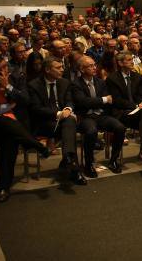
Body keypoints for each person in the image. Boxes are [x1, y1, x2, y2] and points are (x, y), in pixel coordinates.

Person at [0, 56, 51, 202]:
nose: (4, 71)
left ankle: (3, 187)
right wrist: (3, 108)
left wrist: (8, 87)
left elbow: (25, 100)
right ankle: (35, 144)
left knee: (10, 139)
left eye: (5, 66)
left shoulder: (17, 79)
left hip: (14, 127)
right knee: (3, 121)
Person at [27, 56, 86, 186]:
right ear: (47, 69)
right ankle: (71, 164)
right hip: (44, 123)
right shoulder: (34, 85)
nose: (62, 69)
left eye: (62, 67)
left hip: (64, 123)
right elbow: (35, 109)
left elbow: (70, 100)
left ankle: (69, 161)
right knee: (70, 126)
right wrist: (59, 113)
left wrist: (68, 109)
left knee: (69, 122)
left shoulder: (64, 82)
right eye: (58, 67)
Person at [71, 55, 125, 176]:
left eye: (94, 65)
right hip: (85, 117)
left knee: (120, 127)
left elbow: (109, 100)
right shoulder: (76, 84)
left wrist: (100, 101)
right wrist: (103, 100)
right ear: (81, 69)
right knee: (91, 131)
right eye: (90, 66)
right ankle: (89, 163)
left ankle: (113, 160)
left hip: (101, 115)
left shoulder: (100, 82)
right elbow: (82, 102)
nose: (94, 68)